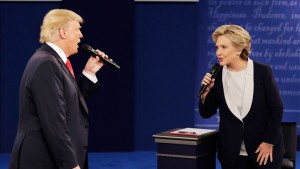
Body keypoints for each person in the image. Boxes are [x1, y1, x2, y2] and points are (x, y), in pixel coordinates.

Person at [9, 9, 108, 169]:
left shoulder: (51, 61)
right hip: (42, 161)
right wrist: (71, 164)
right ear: (63, 32)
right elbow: (54, 122)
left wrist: (89, 72)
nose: (81, 35)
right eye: (77, 29)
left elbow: (68, 105)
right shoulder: (46, 64)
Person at [199, 25, 284, 169]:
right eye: (217, 47)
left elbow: (276, 109)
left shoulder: (262, 72)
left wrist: (268, 142)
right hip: (231, 154)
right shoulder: (217, 76)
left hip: (262, 151)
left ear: (239, 49)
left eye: (224, 47)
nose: (218, 52)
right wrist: (204, 95)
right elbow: (206, 113)